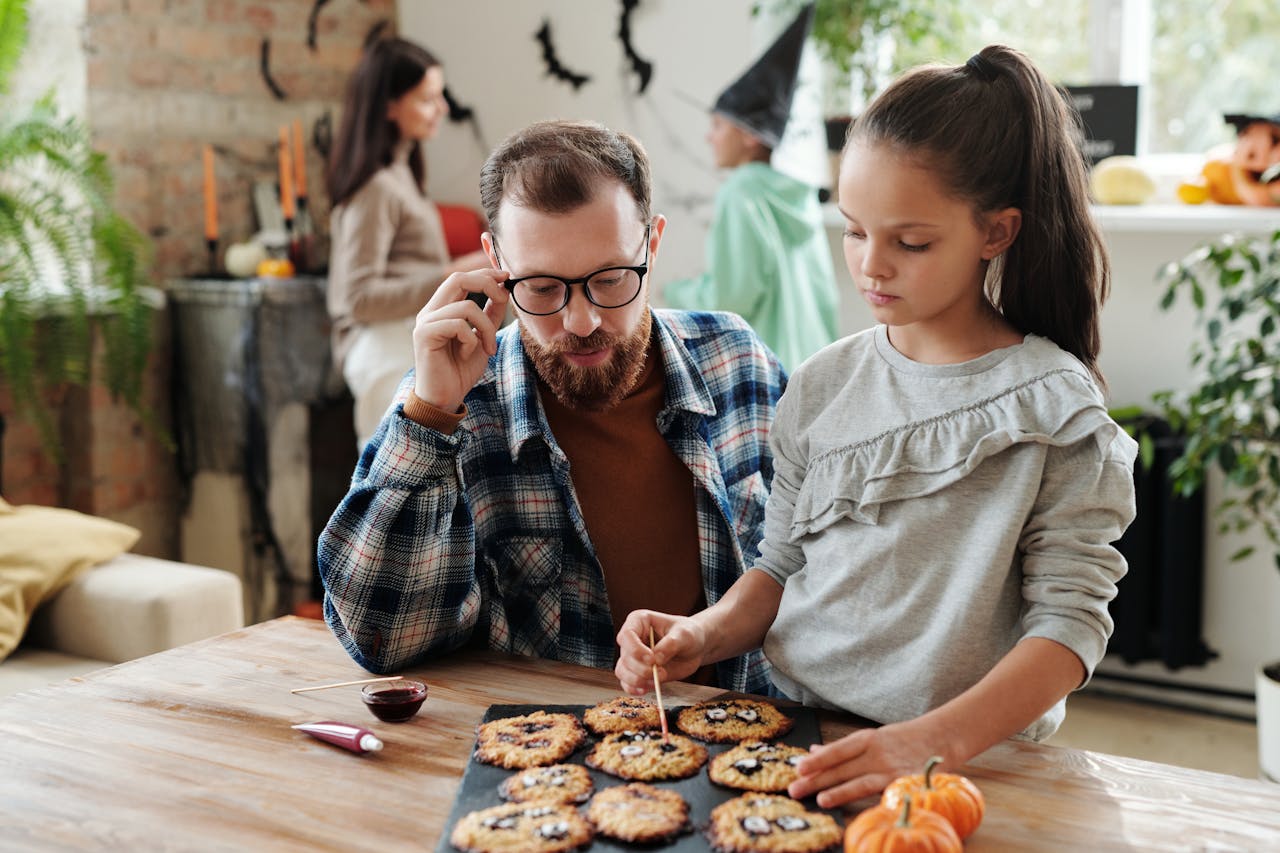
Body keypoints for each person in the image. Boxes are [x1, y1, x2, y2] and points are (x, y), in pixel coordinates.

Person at [616, 45, 1139, 807]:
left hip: (964, 762)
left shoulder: (1056, 409)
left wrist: (934, 741)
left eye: (910, 241)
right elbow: (780, 564)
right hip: (792, 736)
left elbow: (1069, 628)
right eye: (854, 231)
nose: (871, 266)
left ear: (996, 232)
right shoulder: (824, 382)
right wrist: (708, 630)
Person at [318, 119, 787, 695]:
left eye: (613, 280)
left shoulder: (739, 364)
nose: (582, 322)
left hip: (743, 740)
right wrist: (431, 415)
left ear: (653, 244)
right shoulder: (456, 405)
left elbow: (814, 568)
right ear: (495, 262)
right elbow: (383, 639)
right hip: (544, 762)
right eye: (541, 288)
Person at [326, 36, 489, 449]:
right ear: (388, 106)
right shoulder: (378, 188)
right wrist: (453, 273)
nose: (443, 109)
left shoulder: (401, 176)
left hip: (404, 345)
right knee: (395, 478)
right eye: (427, 98)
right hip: (384, 352)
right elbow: (355, 298)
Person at [663, 4, 840, 370]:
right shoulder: (800, 196)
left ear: (747, 137)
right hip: (813, 366)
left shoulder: (741, 192)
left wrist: (676, 291)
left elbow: (731, 299)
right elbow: (825, 299)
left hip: (765, 372)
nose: (709, 138)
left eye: (718, 126)